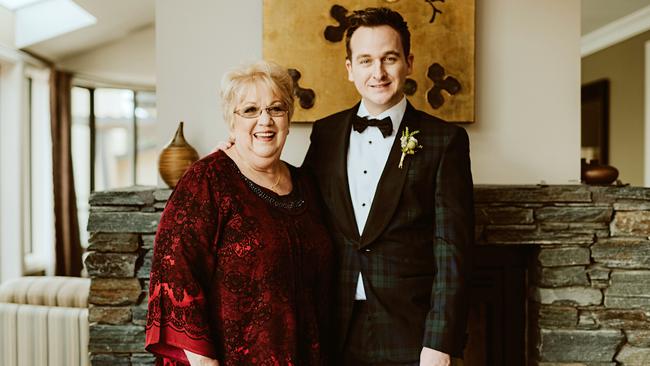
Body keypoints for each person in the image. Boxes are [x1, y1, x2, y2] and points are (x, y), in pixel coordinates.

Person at [302, 7, 474, 366]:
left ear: (408, 62)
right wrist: (241, 157)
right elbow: (296, 203)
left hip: (411, 331)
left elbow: (452, 250)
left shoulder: (445, 141)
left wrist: (440, 343)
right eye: (365, 60)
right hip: (334, 326)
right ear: (349, 69)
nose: (377, 72)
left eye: (389, 58)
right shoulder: (326, 134)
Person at [145, 61, 333, 366]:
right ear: (231, 121)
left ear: (289, 117)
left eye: (276, 109)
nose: (265, 121)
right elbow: (174, 278)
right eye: (250, 110)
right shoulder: (206, 180)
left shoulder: (307, 184)